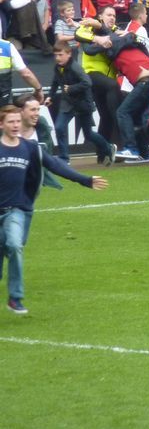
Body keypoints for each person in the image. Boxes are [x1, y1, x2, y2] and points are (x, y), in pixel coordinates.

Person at [0, 105, 108, 315]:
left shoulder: (31, 148)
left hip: (16, 211)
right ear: (1, 124)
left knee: (14, 245)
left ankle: (15, 297)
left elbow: (56, 165)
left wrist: (85, 180)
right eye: (10, 122)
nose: (15, 125)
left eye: (17, 121)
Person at [46, 41, 115, 165]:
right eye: (56, 55)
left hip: (82, 103)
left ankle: (109, 148)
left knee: (88, 134)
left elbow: (87, 82)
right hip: (68, 103)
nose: (57, 58)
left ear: (69, 54)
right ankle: (64, 159)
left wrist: (71, 88)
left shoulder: (75, 67)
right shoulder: (58, 67)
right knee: (59, 127)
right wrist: (50, 97)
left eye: (60, 55)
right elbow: (55, 82)